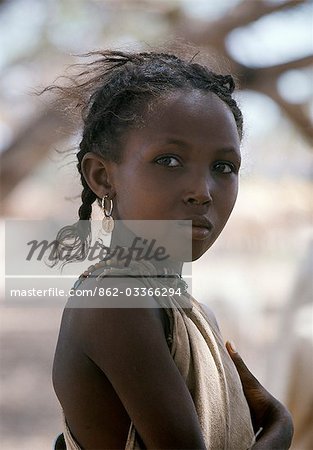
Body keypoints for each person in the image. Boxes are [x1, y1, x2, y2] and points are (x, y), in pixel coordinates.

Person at [50, 50, 293, 449]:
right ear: (101, 176)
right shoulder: (114, 300)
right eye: (169, 160)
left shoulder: (193, 313)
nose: (202, 192)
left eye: (224, 167)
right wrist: (281, 428)